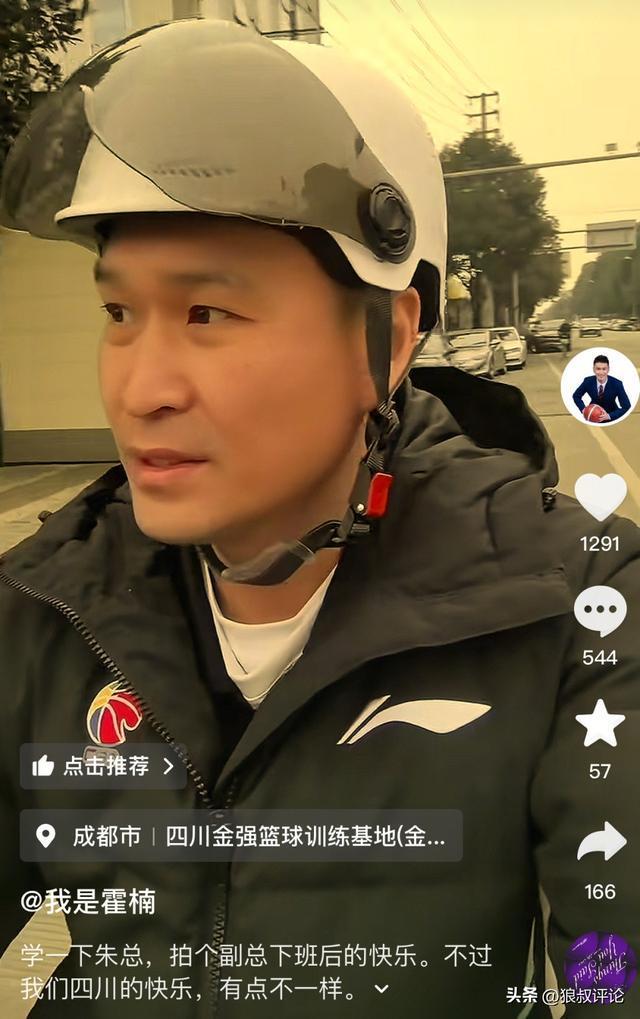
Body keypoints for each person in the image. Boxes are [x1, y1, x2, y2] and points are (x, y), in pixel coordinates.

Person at [0, 18, 639, 1019]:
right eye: (118, 314)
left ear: (388, 337)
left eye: (207, 314)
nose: (140, 388)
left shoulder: (577, 603)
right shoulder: (46, 604)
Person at [572, 354, 632, 422]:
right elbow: (576, 396)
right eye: (598, 369)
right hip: (592, 416)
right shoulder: (588, 381)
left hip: (612, 416)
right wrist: (583, 409)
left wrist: (609, 416)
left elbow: (626, 406)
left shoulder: (617, 384)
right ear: (593, 369)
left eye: (604, 369)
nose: (601, 372)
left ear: (608, 369)